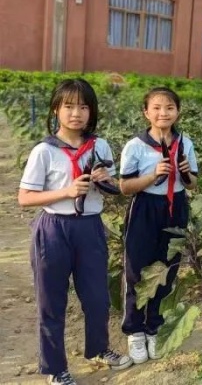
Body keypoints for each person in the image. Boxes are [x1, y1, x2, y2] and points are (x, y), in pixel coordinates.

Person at [18, 79, 132, 385]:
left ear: (91, 111)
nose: (76, 113)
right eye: (68, 106)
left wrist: (105, 180)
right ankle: (55, 368)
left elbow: (111, 188)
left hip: (90, 227)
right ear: (56, 110)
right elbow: (25, 197)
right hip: (53, 229)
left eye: (83, 107)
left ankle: (99, 349)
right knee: (51, 301)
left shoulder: (99, 146)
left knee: (97, 298)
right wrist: (66, 192)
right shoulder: (44, 151)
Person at [119, 87, 198, 365]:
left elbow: (193, 184)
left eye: (169, 108)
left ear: (178, 112)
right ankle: (134, 329)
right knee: (137, 269)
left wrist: (186, 173)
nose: (163, 113)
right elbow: (125, 187)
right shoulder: (136, 146)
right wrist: (153, 175)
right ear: (146, 113)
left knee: (168, 268)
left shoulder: (185, 143)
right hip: (145, 208)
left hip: (176, 207)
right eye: (156, 108)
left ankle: (155, 325)